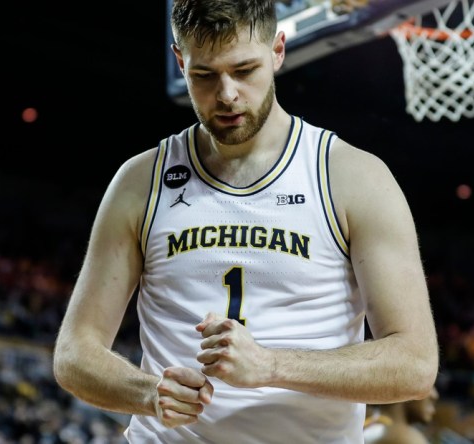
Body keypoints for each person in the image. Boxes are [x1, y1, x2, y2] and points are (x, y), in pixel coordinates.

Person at [52, 0, 439, 442]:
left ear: (277, 50)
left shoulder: (352, 177)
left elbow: (414, 364)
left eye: (244, 70)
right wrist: (148, 393)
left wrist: (270, 365)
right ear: (180, 61)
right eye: (204, 75)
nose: (227, 94)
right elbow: (73, 353)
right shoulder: (141, 181)